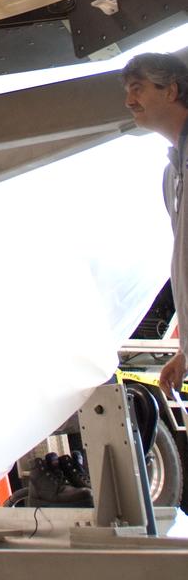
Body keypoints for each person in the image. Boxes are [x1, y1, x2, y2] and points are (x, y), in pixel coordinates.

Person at [122, 50, 188, 397]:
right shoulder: (172, 174)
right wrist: (185, 352)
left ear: (170, 91)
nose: (129, 100)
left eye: (137, 88)